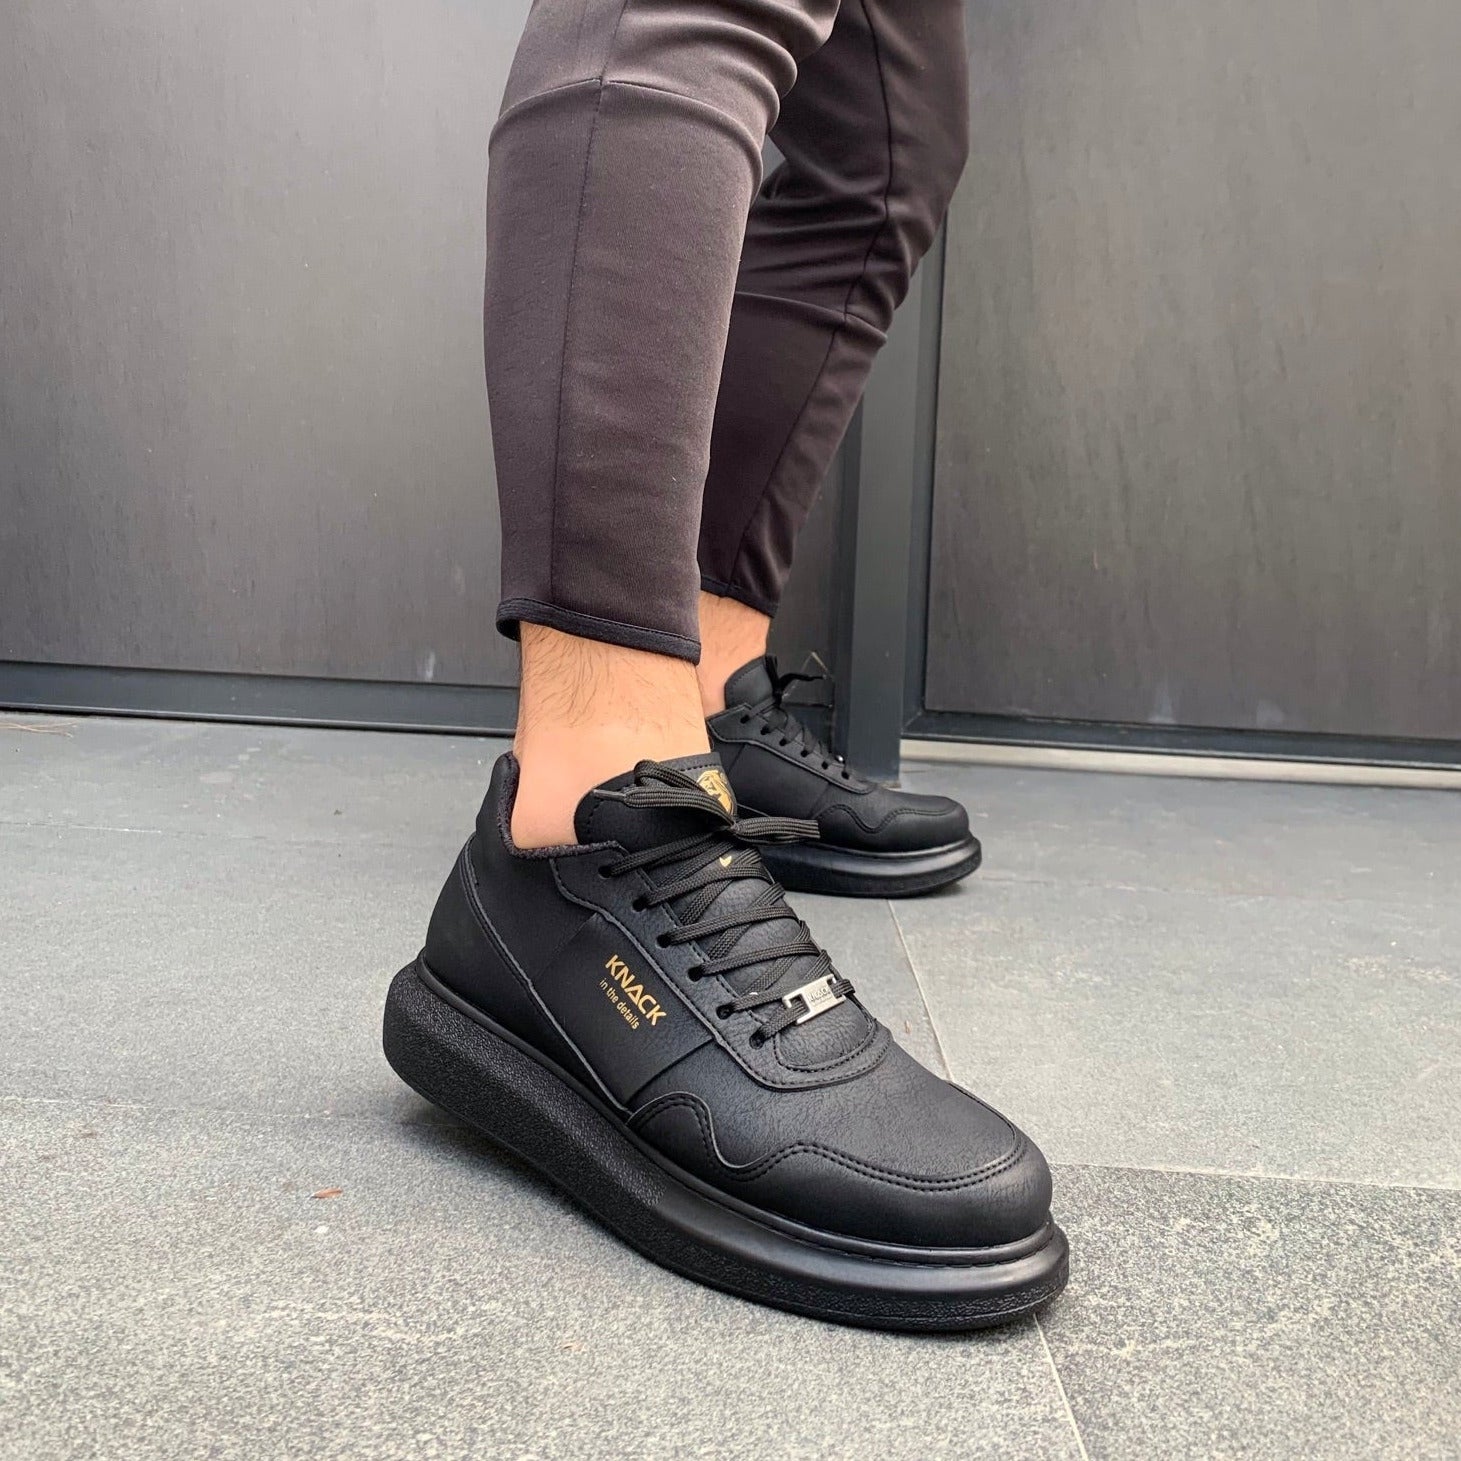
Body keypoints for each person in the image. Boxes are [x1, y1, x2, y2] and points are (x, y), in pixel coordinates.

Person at [383, 0, 1067, 1329]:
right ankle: (587, 804)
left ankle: (707, 684)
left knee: (888, 158)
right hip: (581, 809)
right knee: (687, 14)